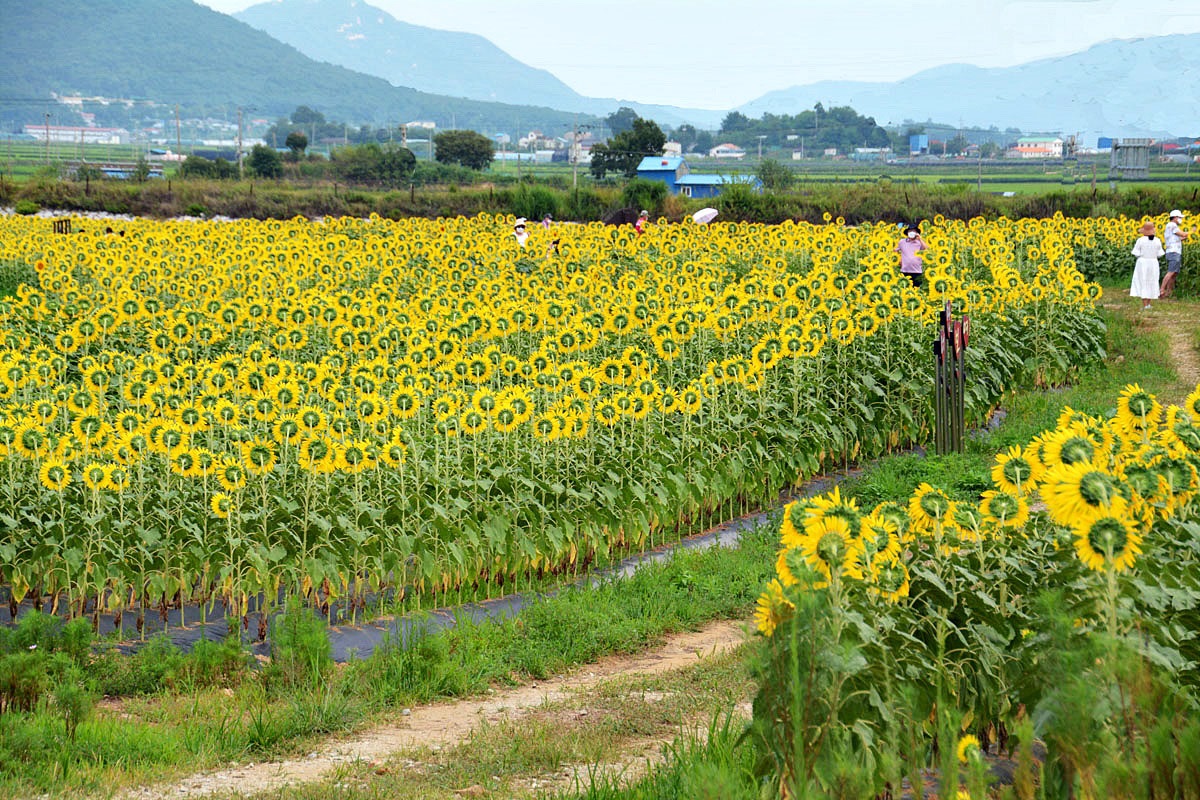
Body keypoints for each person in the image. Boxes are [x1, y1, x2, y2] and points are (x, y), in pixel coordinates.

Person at [1131, 220, 1164, 310]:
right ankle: (1148, 304)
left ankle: (1145, 304)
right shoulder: (1157, 240)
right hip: (1153, 263)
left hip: (1143, 263)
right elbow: (1160, 254)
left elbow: (1136, 253)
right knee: (1152, 281)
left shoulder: (1140, 240)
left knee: (1143, 281)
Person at [1159, 210, 1190, 298]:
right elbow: (1182, 234)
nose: (1181, 219)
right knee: (1171, 272)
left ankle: (1169, 292)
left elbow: (1177, 239)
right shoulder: (1172, 225)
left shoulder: (1171, 226)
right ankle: (1162, 290)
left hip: (1174, 251)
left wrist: (1184, 237)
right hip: (1173, 252)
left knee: (1174, 273)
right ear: (1175, 217)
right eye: (1180, 217)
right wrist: (1191, 232)